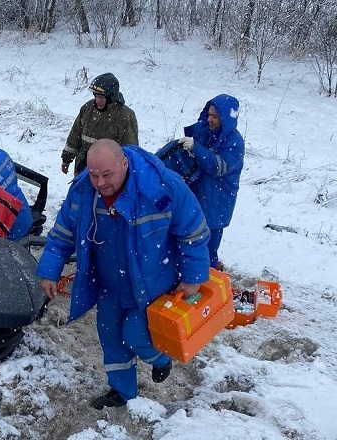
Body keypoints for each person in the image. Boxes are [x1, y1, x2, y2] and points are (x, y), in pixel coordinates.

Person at [37, 139, 210, 409]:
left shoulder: (161, 186)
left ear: (124, 164)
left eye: (107, 175)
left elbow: (193, 232)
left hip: (154, 284)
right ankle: (121, 392)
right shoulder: (83, 193)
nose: (101, 182)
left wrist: (192, 278)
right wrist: (50, 271)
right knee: (112, 339)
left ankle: (160, 359)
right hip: (110, 284)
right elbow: (62, 234)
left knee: (136, 335)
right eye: (94, 175)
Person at [177, 94, 245, 269]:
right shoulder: (208, 133)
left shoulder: (235, 143)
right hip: (199, 195)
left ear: (225, 118)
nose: (210, 119)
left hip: (217, 200)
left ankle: (209, 279)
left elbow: (218, 167)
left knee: (208, 246)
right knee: (190, 241)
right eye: (209, 114)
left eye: (215, 116)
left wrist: (196, 148)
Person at [61, 72, 139, 176]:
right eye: (96, 96)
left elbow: (130, 151)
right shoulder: (87, 108)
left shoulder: (125, 116)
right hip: (83, 169)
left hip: (108, 173)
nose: (97, 101)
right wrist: (67, 158)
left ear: (111, 96)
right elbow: (75, 136)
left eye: (101, 97)